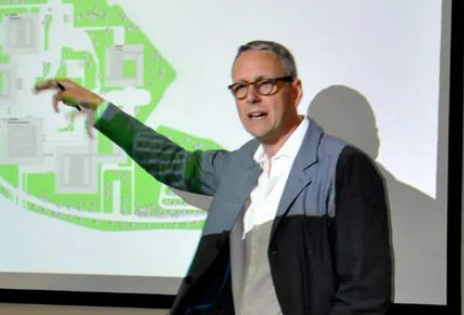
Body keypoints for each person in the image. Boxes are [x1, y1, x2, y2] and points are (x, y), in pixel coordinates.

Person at [36, 40, 392, 315]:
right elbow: (172, 162)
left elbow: (363, 296)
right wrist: (99, 107)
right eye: (241, 88)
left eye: (265, 84)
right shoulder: (239, 165)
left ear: (295, 91)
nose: (251, 97)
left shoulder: (345, 166)